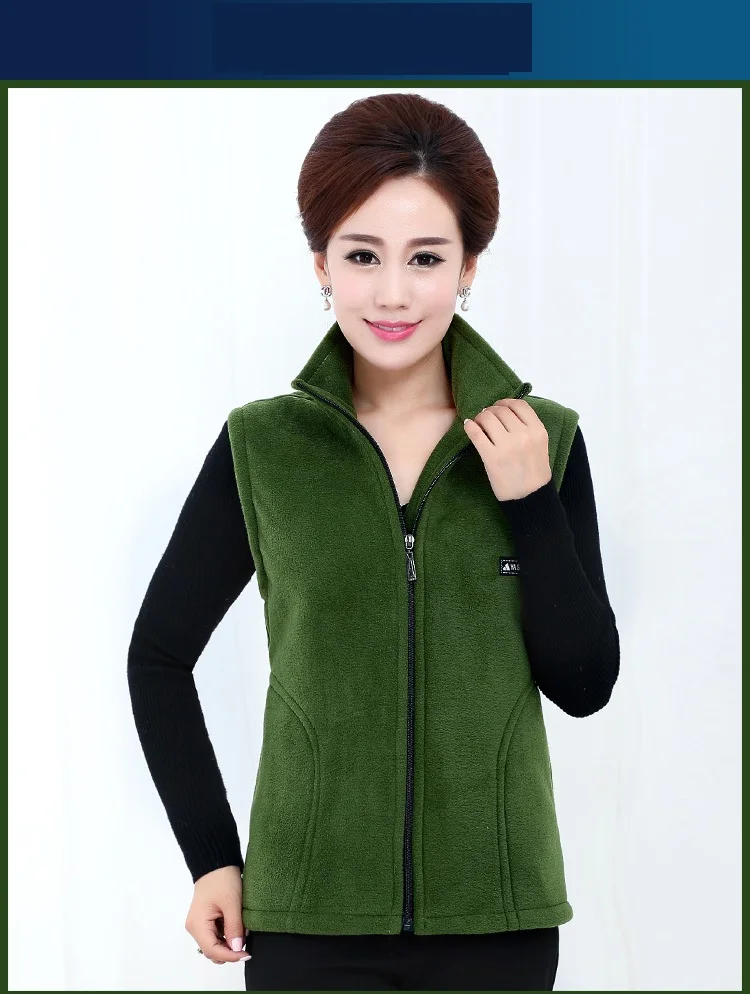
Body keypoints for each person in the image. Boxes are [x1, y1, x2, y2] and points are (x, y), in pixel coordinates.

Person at [127, 92, 620, 991]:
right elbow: (159, 655)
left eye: (426, 257)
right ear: (322, 263)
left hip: (497, 923)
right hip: (305, 922)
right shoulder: (263, 447)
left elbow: (584, 686)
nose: (393, 292)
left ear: (469, 266)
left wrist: (530, 502)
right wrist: (212, 858)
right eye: (363, 255)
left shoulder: (541, 441)